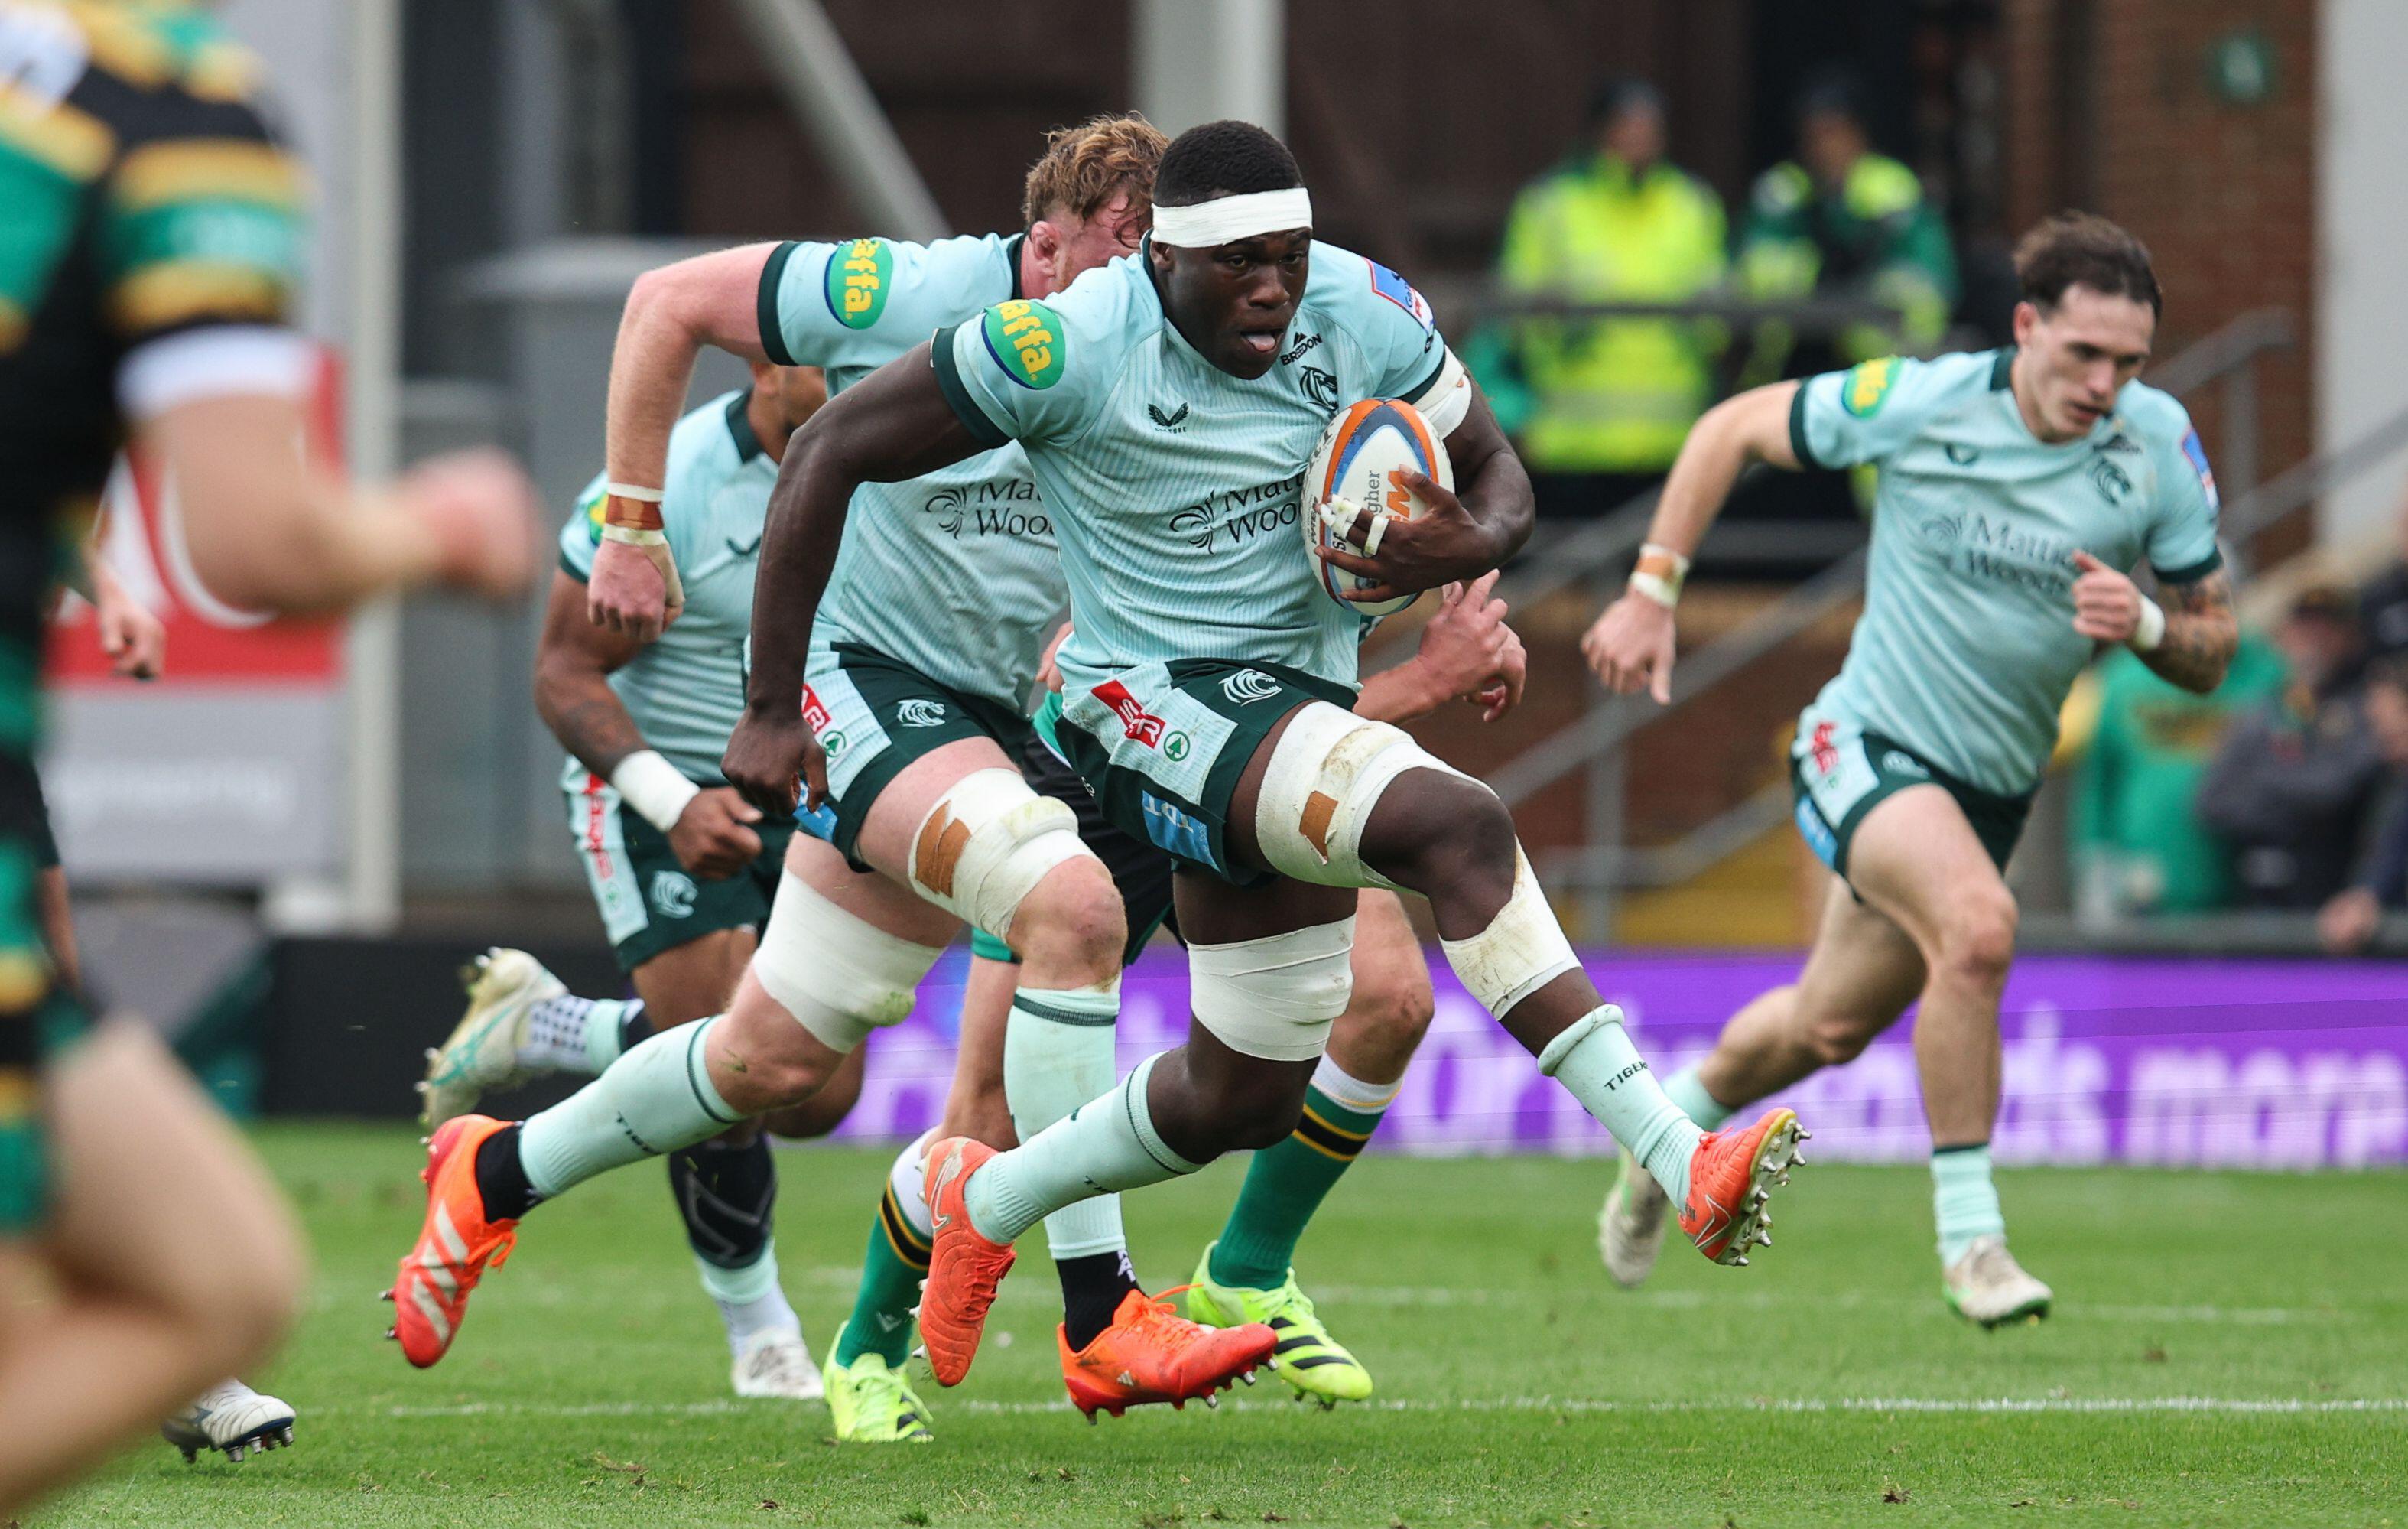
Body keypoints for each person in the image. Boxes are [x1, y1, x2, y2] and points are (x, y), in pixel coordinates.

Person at [721, 118, 1805, 1393]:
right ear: (1159, 259)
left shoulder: (1361, 309)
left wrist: (1446, 547)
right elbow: (832, 449)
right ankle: (1682, 1157)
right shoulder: (1063, 342)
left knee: (1236, 1092)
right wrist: (769, 702)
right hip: (1140, 708)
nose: (1271, 288)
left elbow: (1499, 472)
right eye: (1237, 264)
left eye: (1286, 258)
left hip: (1284, 706)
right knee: (1456, 828)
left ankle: (971, 1198)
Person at [388, 114, 1304, 1430]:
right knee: (1073, 912)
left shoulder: (1164, 354)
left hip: (987, 718)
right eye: (1119, 259)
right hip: (866, 690)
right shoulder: (916, 294)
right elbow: (665, 302)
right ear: (1040, 247)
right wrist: (633, 521)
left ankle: (494, 1169)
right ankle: (1099, 1315)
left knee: (771, 1065)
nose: (1143, 291)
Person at [0, 2, 537, 1511]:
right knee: (205, 1277)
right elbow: (263, 540)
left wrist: (95, 580)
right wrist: (438, 525)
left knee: (198, 1262)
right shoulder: (165, 109)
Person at [1586, 211, 2236, 1326]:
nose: (2103, 383)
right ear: (2026, 326)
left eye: (2126, 362)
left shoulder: (2156, 447)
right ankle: (1971, 1242)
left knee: (1823, 1027)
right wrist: (1653, 588)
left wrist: (2143, 624)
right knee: (1979, 927)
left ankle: (1662, 1140)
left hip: (1988, 790)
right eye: (2082, 353)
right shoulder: (1926, 400)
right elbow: (1733, 426)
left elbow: (2214, 643)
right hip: (1864, 744)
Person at [418, 363, 867, 1404]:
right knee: (724, 1083)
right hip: (664, 791)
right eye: (811, 346)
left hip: (805, 787)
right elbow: (561, 671)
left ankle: (549, 1026)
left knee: (814, 1091)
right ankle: (761, 1333)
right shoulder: (669, 485)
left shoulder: (883, 458)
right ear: (760, 362)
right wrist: (674, 801)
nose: (842, 362)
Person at [1488, 79, 1727, 520]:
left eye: (1650, 126)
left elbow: (1718, 323)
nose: (1640, 137)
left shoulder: (1693, 205)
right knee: (1561, 583)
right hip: (1570, 443)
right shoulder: (1550, 205)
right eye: (1627, 125)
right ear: (1600, 131)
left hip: (1669, 441)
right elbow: (1513, 316)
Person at [1737, 73, 1958, 379]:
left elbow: (1929, 278)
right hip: (1791, 358)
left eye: (1834, 131)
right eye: (1814, 134)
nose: (1824, 146)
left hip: (1876, 365)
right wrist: (1816, 274)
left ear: (1858, 133)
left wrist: (1862, 281)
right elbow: (1753, 272)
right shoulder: (1782, 192)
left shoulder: (1893, 190)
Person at [2068, 631, 2286, 917]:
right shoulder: (2122, 675)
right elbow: (2098, 784)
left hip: (2242, 887)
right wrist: (2094, 868)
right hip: (2143, 891)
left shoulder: (2265, 670)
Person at [2197, 587, 2386, 910]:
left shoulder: (2367, 709)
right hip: (2257, 894)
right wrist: (2297, 799)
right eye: (2304, 630)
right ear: (2285, 637)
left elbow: (2334, 790)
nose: (2314, 642)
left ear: (2349, 637)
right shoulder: (2260, 712)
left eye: (2327, 631)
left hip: (2333, 895)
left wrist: (2265, 783)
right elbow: (2214, 800)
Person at [2315, 659, 2408, 952]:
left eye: (2388, 724)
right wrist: (2366, 895)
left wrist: (2368, 895)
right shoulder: (2392, 783)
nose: (2379, 735)